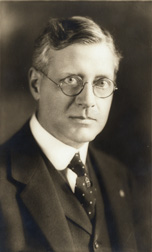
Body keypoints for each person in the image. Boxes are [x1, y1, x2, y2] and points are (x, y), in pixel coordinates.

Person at [0, 16, 138, 252]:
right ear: (36, 84)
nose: (88, 101)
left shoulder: (119, 177)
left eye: (102, 82)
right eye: (71, 80)